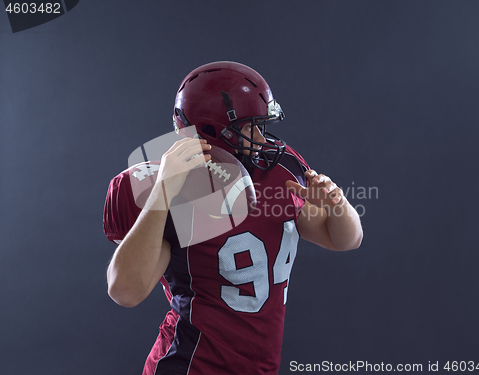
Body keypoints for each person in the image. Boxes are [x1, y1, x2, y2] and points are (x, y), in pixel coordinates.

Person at [103, 61, 363, 375]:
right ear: (212, 129)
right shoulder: (173, 188)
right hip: (190, 366)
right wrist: (162, 192)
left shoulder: (278, 171)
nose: (260, 136)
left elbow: (344, 239)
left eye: (260, 123)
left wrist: (337, 204)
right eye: (247, 126)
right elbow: (126, 292)